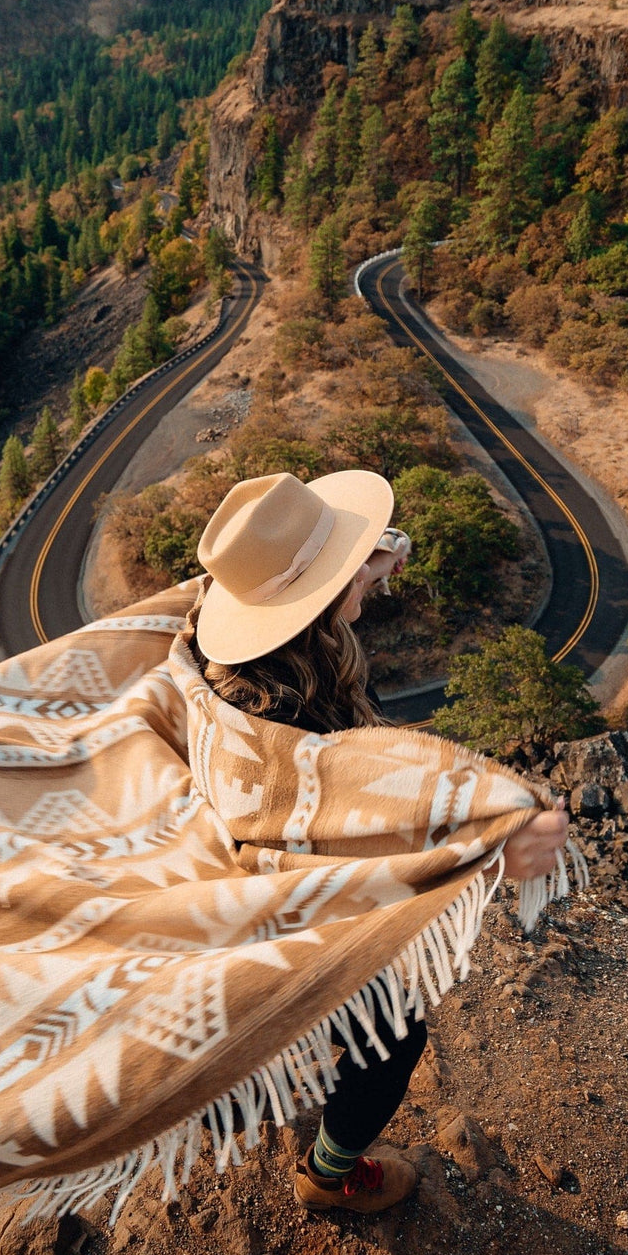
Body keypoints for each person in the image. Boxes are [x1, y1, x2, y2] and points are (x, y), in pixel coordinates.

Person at [187, 468, 570, 1214]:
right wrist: (494, 843)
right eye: (349, 575)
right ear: (322, 604)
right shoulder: (293, 737)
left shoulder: (228, 662)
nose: (369, 586)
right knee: (393, 1040)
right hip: (283, 931)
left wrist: (372, 556)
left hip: (224, 910)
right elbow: (373, 825)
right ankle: (326, 1177)